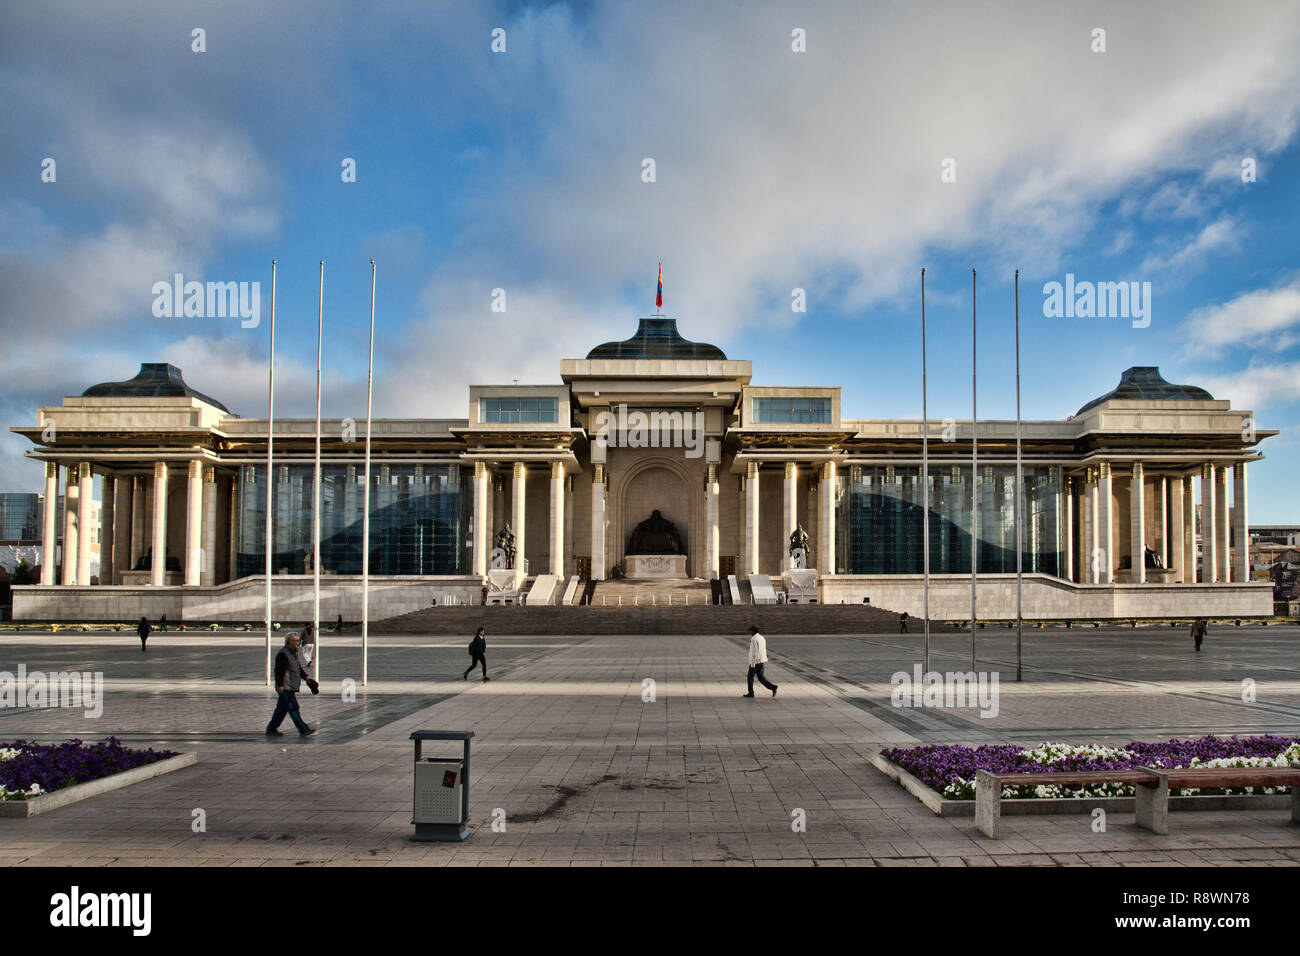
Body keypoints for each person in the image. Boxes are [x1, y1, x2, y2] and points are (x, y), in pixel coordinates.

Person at [266, 632, 319, 737]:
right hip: (285, 687)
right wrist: (280, 685)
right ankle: (303, 729)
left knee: (282, 709)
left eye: (299, 640)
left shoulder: (293, 653)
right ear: (289, 641)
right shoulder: (283, 654)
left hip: (289, 686)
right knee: (293, 707)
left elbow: (297, 668)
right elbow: (279, 671)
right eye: (296, 641)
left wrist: (307, 678)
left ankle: (271, 729)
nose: (298, 643)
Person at [743, 625, 778, 698]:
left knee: (750, 677)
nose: (749, 633)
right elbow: (763, 649)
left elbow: (755, 652)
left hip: (756, 662)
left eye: (750, 631)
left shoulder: (754, 639)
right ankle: (773, 687)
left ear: (753, 631)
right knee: (760, 677)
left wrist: (753, 664)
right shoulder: (761, 637)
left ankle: (751, 693)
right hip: (761, 660)